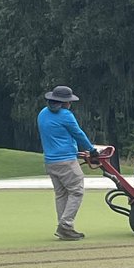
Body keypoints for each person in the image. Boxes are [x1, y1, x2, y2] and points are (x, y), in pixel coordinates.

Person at [37, 85, 100, 240]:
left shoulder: (42, 114)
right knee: (76, 190)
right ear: (63, 103)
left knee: (61, 194)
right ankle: (65, 225)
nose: (70, 104)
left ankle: (63, 226)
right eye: (69, 102)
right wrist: (91, 150)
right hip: (66, 160)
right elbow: (78, 134)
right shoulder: (65, 115)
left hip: (50, 161)